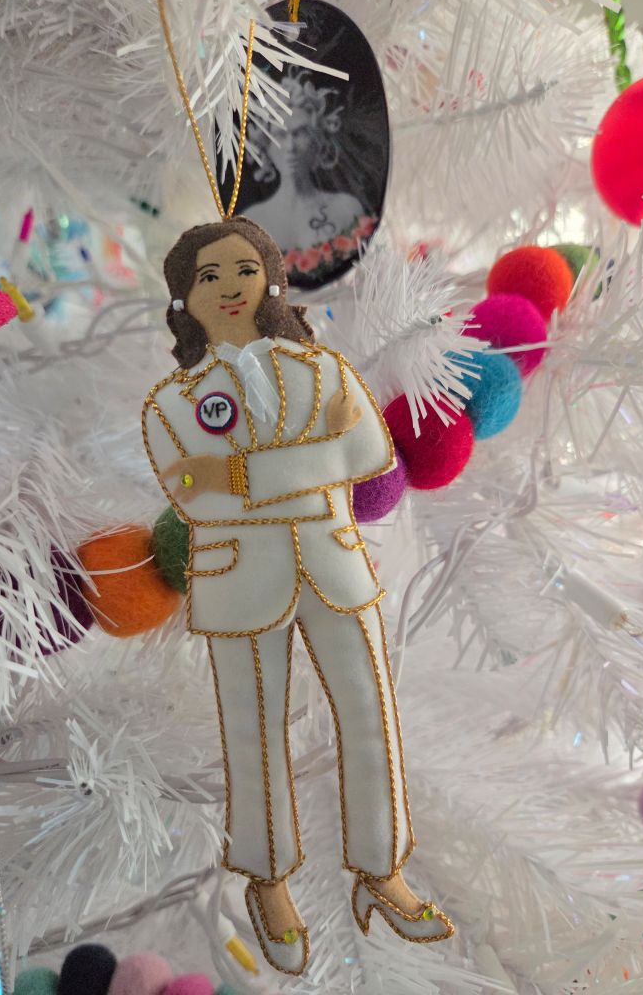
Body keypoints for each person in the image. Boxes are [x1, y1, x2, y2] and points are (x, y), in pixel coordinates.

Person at [142, 217, 454, 975]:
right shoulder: (173, 406)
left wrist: (244, 477)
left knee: (369, 715)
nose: (226, 287)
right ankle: (268, 879)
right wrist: (301, 465)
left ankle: (382, 872)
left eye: (240, 269)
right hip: (238, 580)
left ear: (272, 278)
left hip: (334, 566)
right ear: (184, 298)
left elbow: (368, 451)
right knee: (252, 733)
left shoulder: (323, 371)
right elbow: (193, 494)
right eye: (205, 276)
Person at [243, 69, 367, 254]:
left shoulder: (347, 209)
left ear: (317, 141)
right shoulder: (252, 222)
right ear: (265, 145)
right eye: (280, 135)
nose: (290, 147)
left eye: (300, 134)